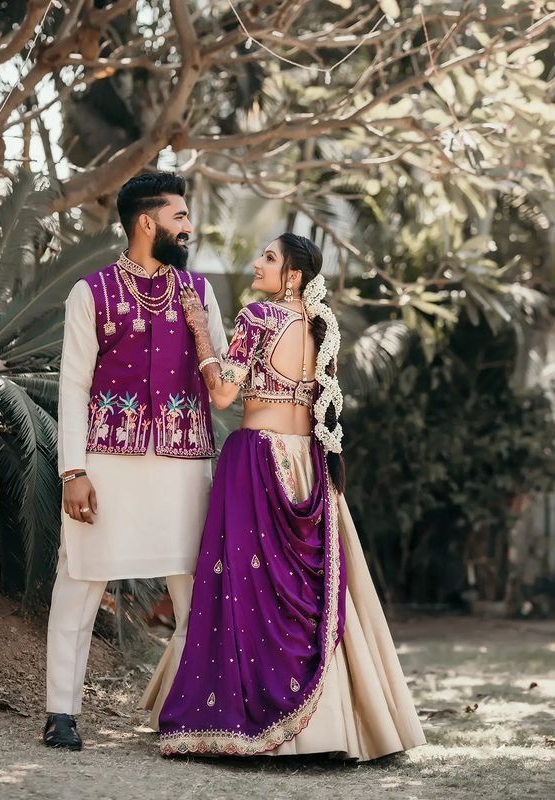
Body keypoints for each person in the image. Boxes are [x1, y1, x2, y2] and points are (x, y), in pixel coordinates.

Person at [148, 233, 426, 759]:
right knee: (313, 595)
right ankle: (333, 729)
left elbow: (225, 393)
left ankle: (249, 721)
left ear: (292, 275)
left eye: (269, 258)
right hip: (307, 465)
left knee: (246, 591)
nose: (257, 264)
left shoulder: (259, 318)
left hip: (256, 462)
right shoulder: (322, 329)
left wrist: (200, 330)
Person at [43, 172, 227, 750]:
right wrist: (73, 471)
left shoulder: (201, 294)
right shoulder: (89, 293)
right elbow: (72, 387)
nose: (189, 228)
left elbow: (223, 375)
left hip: (183, 463)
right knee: (79, 581)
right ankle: (61, 712)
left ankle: (201, 711)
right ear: (147, 223)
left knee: (194, 588)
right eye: (179, 217)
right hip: (104, 466)